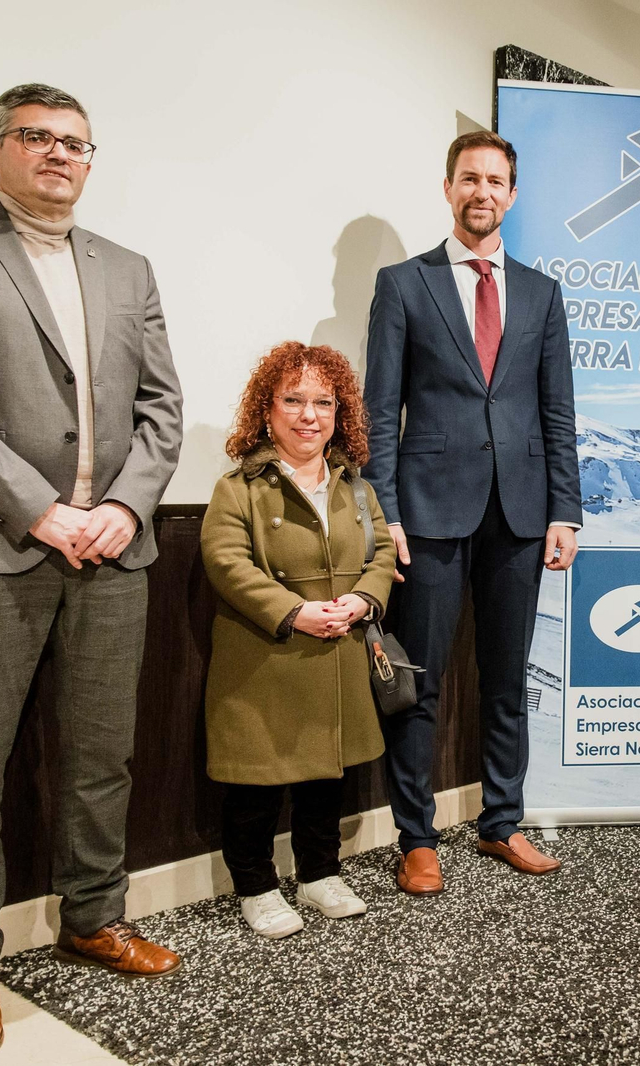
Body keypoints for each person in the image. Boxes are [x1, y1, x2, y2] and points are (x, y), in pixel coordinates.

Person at [0, 83, 183, 1060]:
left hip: (114, 548)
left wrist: (122, 506)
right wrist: (41, 509)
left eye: (76, 143)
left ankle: (95, 916)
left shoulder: (128, 266)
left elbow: (163, 407)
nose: (58, 154)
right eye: (37, 138)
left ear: (92, 160)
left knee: (104, 758)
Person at [362, 131, 582, 894]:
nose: (482, 191)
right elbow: (378, 409)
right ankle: (416, 837)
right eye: (469, 178)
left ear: (512, 195)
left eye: (495, 180)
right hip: (425, 513)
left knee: (505, 678)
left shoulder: (542, 292)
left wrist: (566, 511)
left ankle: (501, 823)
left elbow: (558, 412)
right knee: (417, 680)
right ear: (448, 188)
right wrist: (383, 510)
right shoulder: (402, 284)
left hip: (520, 515)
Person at [201, 342, 397, 939]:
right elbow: (226, 562)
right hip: (265, 658)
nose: (309, 415)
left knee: (323, 778)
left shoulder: (356, 488)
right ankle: (256, 887)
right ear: (267, 411)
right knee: (256, 783)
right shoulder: (239, 488)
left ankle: (319, 874)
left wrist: (365, 599)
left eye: (323, 402)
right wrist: (294, 612)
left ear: (340, 415)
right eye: (293, 400)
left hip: (336, 654)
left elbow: (383, 549)